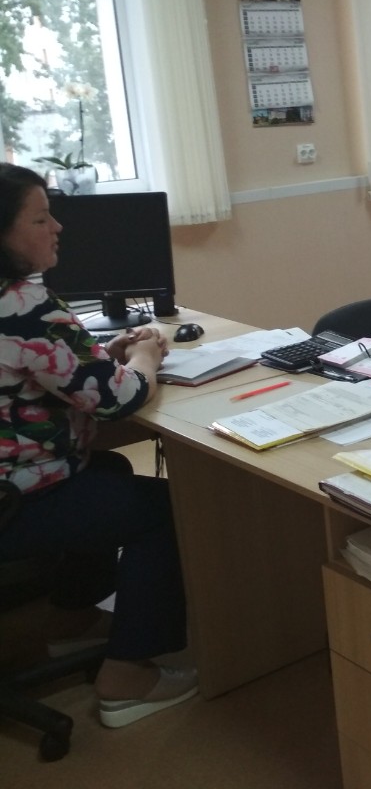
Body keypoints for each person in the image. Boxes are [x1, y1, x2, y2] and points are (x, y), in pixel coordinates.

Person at [0, 164, 196, 727]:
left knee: (107, 469)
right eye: (41, 218)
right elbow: (118, 400)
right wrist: (146, 355)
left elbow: (28, 373)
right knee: (160, 509)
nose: (58, 227)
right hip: (14, 500)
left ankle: (71, 618)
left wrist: (100, 356)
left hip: (13, 483)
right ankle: (126, 676)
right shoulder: (25, 306)